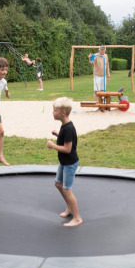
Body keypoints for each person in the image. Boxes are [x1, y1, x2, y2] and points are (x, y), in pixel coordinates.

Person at [47, 97, 82, 227]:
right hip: (64, 162)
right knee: (58, 184)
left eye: (55, 110)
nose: (52, 112)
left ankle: (77, 218)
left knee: (67, 190)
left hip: (69, 163)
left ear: (62, 113)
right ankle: (69, 207)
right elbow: (67, 141)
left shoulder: (68, 128)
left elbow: (67, 149)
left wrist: (53, 146)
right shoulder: (65, 126)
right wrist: (58, 135)